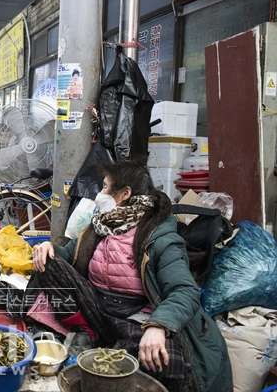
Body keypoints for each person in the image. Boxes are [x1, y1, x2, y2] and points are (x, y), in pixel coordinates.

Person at [31, 160, 232, 392]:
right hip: (97, 310)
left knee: (162, 359)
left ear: (125, 193)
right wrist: (48, 248)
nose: (99, 194)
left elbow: (185, 292)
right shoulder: (100, 227)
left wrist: (159, 326)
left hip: (136, 318)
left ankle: (113, 342)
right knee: (48, 264)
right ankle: (89, 333)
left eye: (105, 187)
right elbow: (67, 256)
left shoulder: (159, 239)